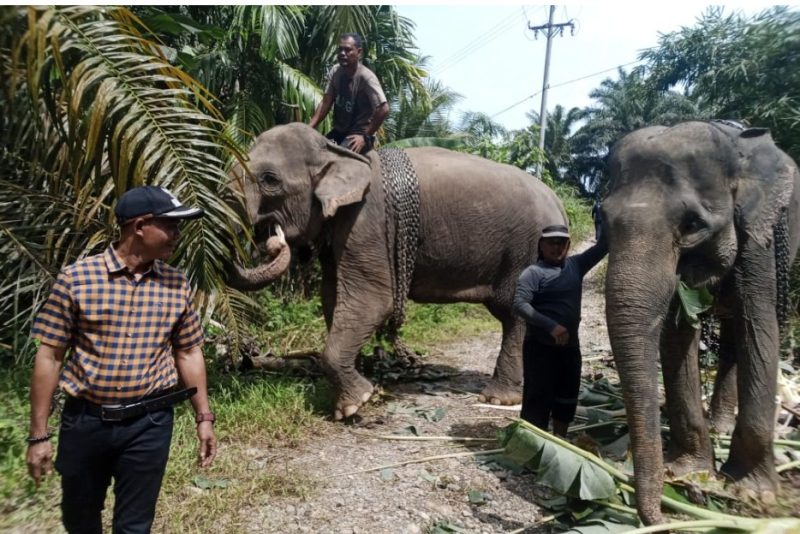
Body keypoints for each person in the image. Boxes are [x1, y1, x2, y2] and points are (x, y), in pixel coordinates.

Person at [26, 185, 217, 533]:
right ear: (140, 226)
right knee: (80, 518)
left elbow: (188, 351)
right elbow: (50, 357)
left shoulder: (177, 284)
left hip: (150, 423)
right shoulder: (77, 280)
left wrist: (204, 417)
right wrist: (38, 436)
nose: (177, 235)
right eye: (171, 226)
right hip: (86, 422)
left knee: (134, 525)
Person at [513, 224, 607, 437]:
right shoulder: (533, 273)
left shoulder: (576, 266)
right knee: (537, 398)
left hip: (570, 348)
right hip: (540, 348)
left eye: (562, 243)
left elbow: (602, 247)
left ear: (568, 245)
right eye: (551, 243)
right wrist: (551, 326)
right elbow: (519, 304)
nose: (557, 247)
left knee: (567, 396)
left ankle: (559, 441)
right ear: (542, 245)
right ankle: (533, 445)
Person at [308, 32, 389, 155]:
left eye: (348, 50)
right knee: (315, 153)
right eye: (340, 50)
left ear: (359, 52)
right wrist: (308, 127)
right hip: (339, 132)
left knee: (336, 163)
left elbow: (383, 108)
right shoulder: (336, 71)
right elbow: (326, 102)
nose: (342, 53)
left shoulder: (367, 78)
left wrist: (365, 137)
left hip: (357, 136)